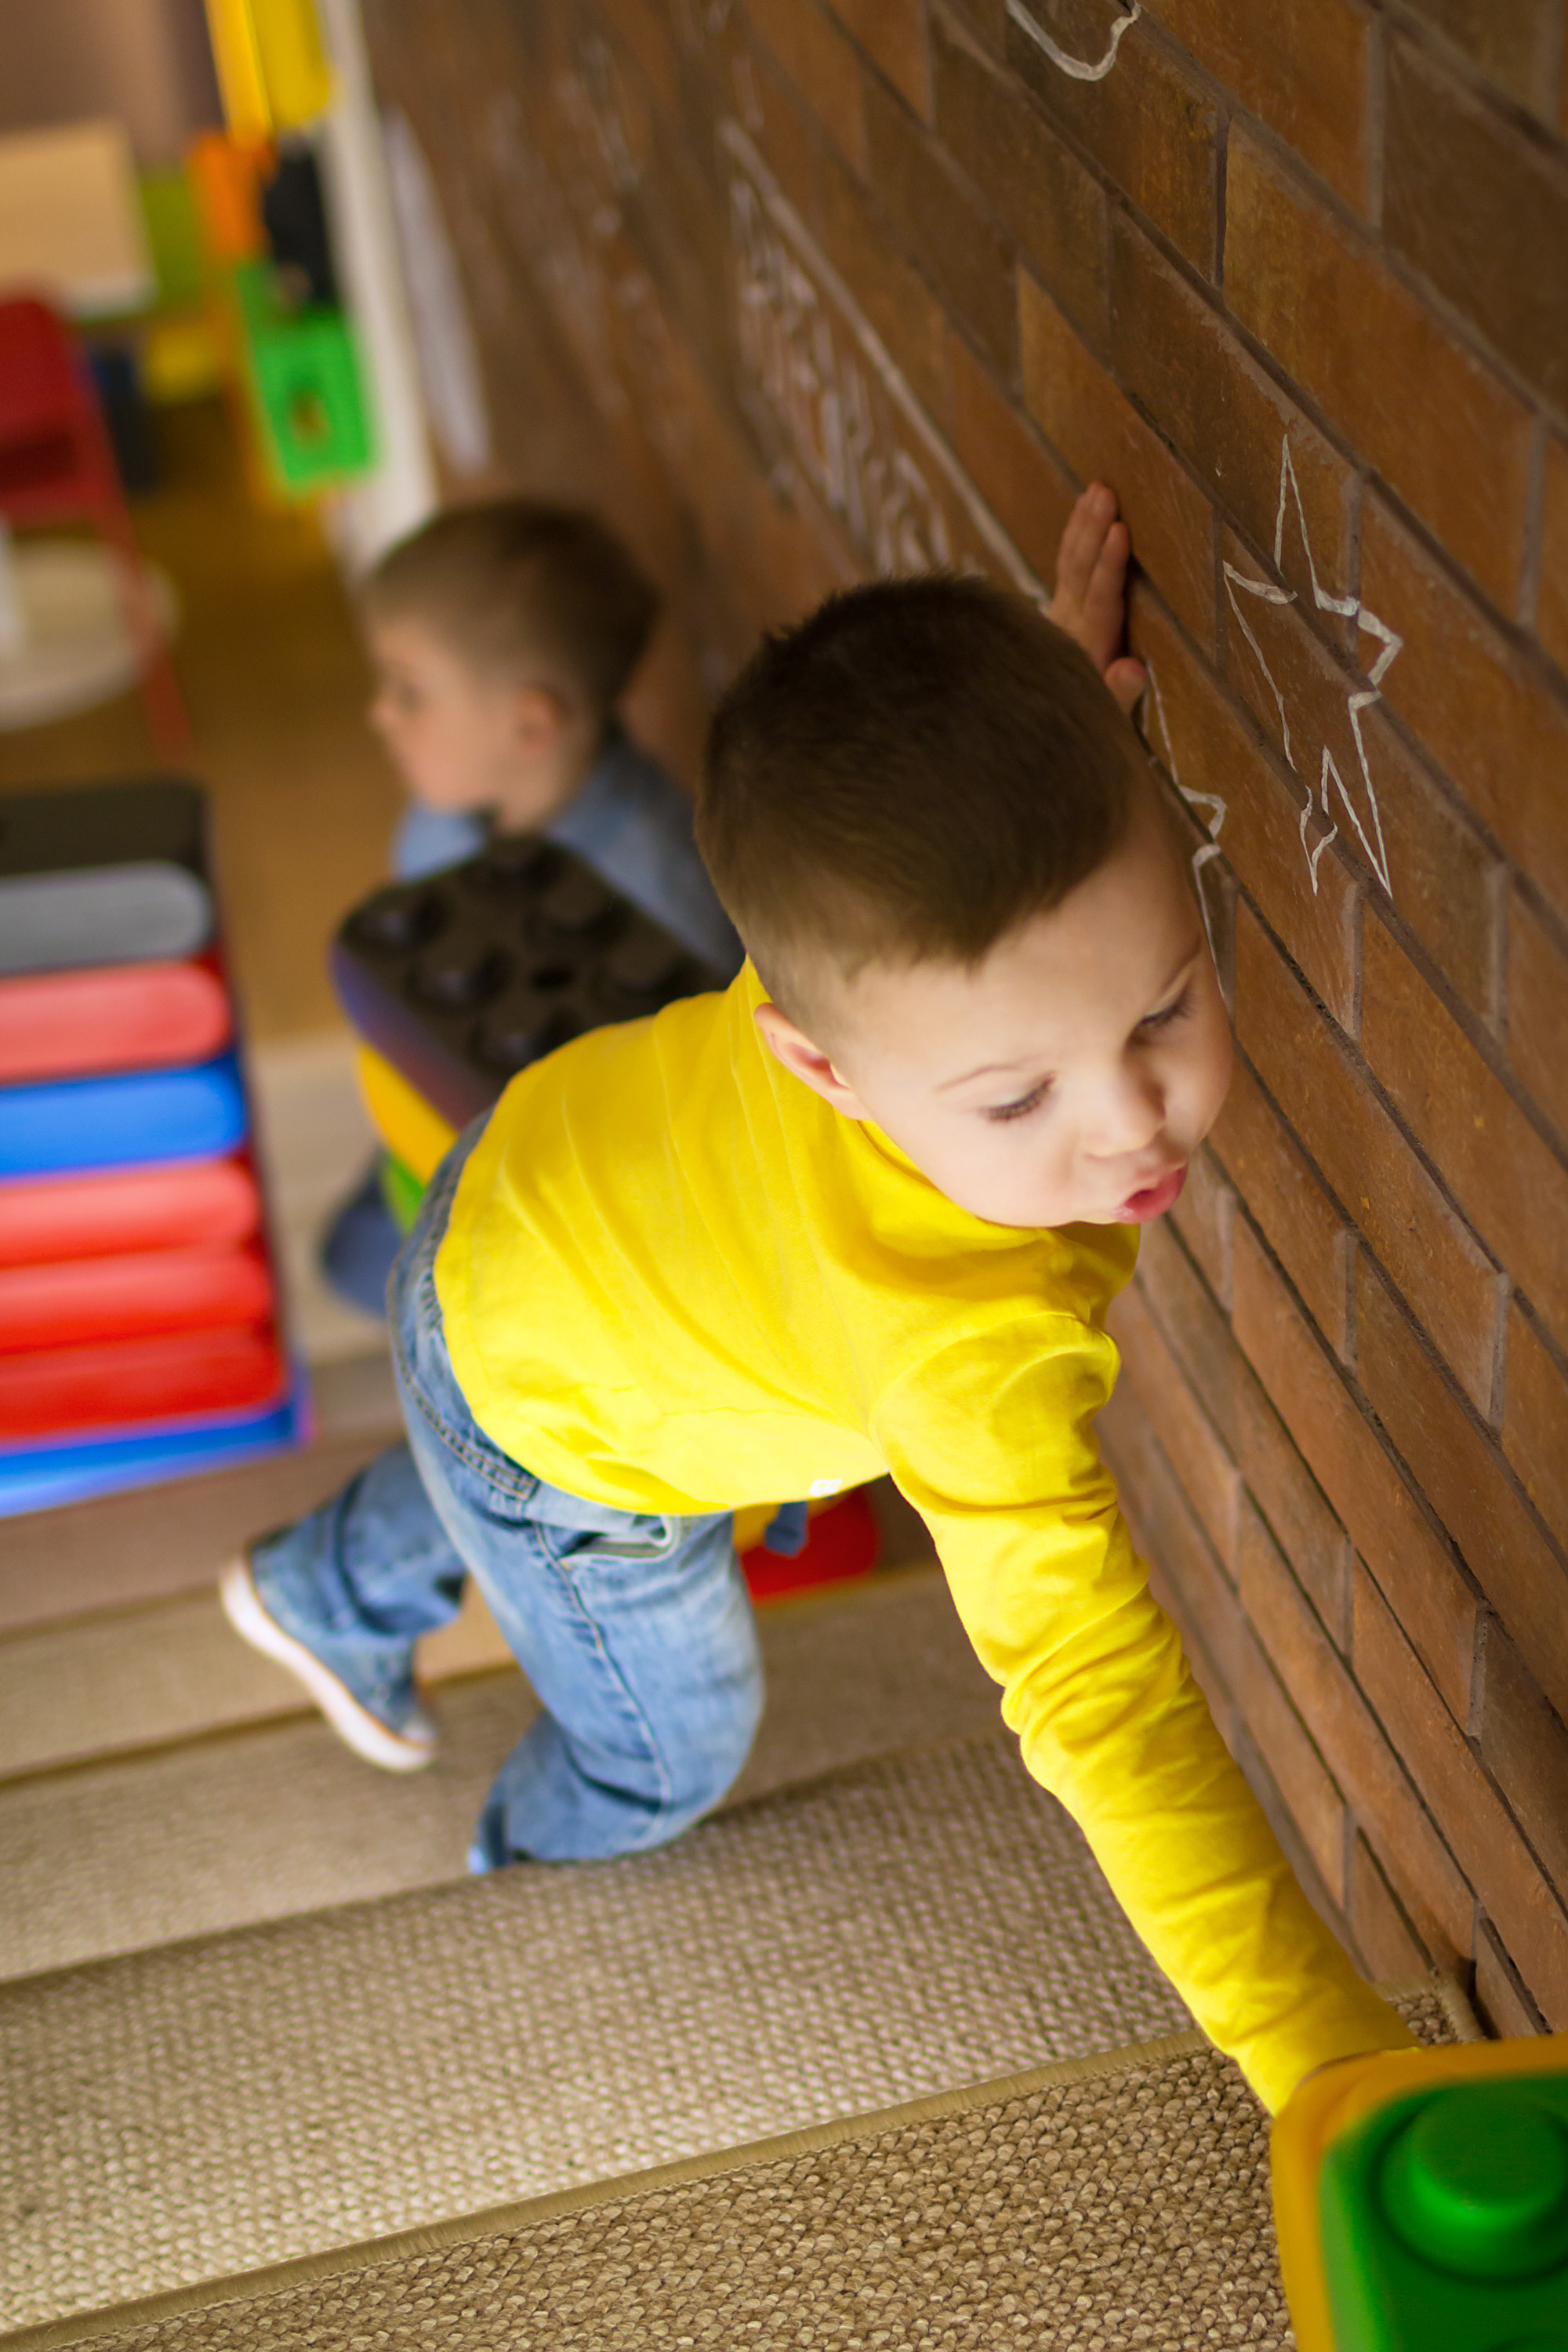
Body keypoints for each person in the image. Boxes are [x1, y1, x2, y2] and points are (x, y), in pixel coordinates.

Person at [224, 486, 1414, 2113]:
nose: (1129, 1121)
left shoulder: (872, 961)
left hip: (527, 1198)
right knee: (669, 1742)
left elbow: (941, 837)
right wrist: (1319, 2055)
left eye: (1163, 1005)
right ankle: (525, 1881)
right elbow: (1098, 1705)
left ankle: (324, 1587)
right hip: (559, 1410)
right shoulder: (957, 1354)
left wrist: (1053, 706)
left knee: (478, 1446)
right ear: (822, 1069)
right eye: (1015, 1101)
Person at [321, 498, 742, 1312]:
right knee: (342, 1261)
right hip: (431, 1125)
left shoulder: (658, 899)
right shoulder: (449, 809)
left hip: (550, 1215)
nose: (380, 714)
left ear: (528, 725)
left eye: (408, 692)